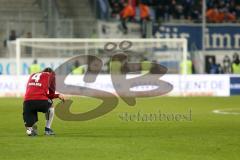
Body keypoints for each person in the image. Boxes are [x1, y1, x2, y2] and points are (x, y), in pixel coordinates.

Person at [23, 67, 65, 136]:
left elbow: (30, 91)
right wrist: (58, 95)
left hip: (27, 102)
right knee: (51, 104)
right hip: (41, 101)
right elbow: (51, 95)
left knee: (30, 128)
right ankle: (47, 129)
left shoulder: (32, 75)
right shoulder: (51, 75)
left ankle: (32, 128)